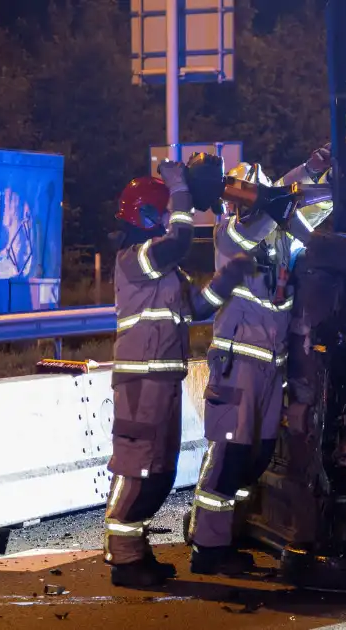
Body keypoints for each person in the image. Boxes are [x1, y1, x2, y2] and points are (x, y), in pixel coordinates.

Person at [187, 146, 331, 575]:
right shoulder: (230, 235)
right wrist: (293, 185)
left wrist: (316, 170)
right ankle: (208, 548)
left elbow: (310, 215)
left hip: (272, 364)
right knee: (229, 454)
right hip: (237, 360)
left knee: (260, 455)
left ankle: (230, 532)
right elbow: (274, 207)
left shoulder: (284, 234)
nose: (237, 206)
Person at [104, 162, 248, 587]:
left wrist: (229, 278)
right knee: (139, 468)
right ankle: (124, 560)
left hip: (162, 380)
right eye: (165, 212)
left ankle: (135, 552)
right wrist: (181, 189)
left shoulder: (165, 271)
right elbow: (182, 239)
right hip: (140, 382)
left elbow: (196, 311)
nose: (172, 218)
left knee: (159, 470)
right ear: (147, 216)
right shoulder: (137, 258)